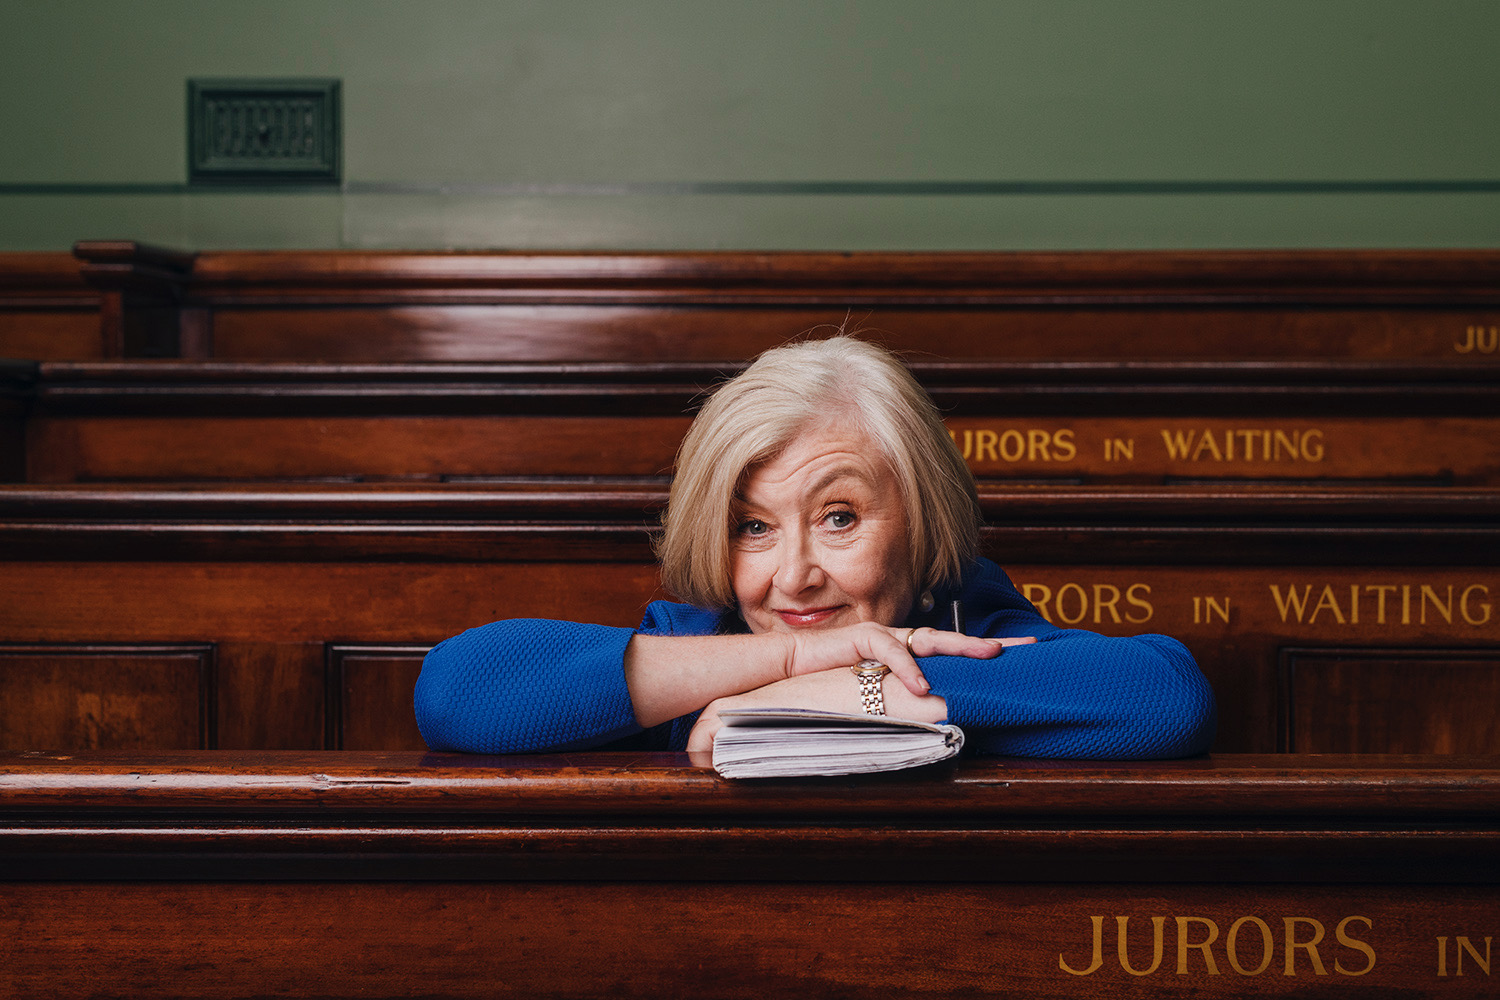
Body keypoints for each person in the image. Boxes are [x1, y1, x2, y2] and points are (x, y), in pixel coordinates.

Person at [415, 336, 1215, 758]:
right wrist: (792, 664)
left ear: (924, 515)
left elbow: (1164, 700)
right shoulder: (701, 645)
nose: (793, 577)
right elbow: (454, 692)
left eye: (839, 517)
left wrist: (826, 701)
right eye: (753, 527)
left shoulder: (969, 618)